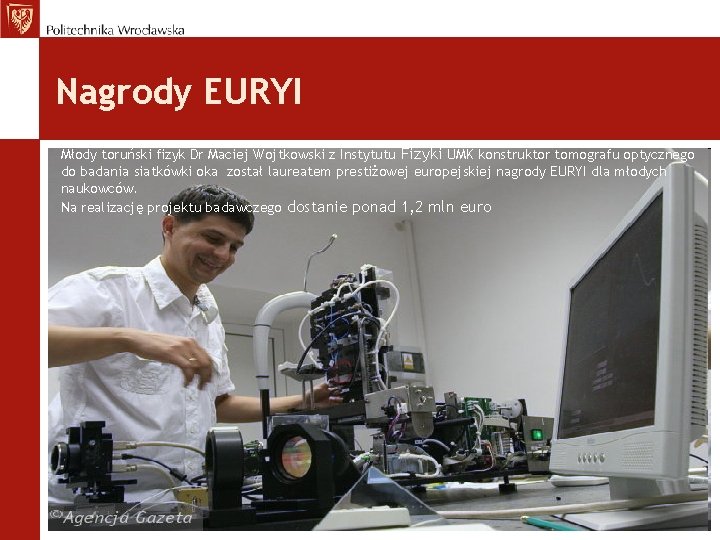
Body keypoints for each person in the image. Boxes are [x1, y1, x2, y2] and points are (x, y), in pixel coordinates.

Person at [48, 184, 338, 503]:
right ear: (169, 226)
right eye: (213, 238)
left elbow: (217, 403)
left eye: (234, 247)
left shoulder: (208, 318)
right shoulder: (107, 290)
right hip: (91, 507)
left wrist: (302, 402)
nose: (223, 255)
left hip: (182, 501)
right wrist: (129, 339)